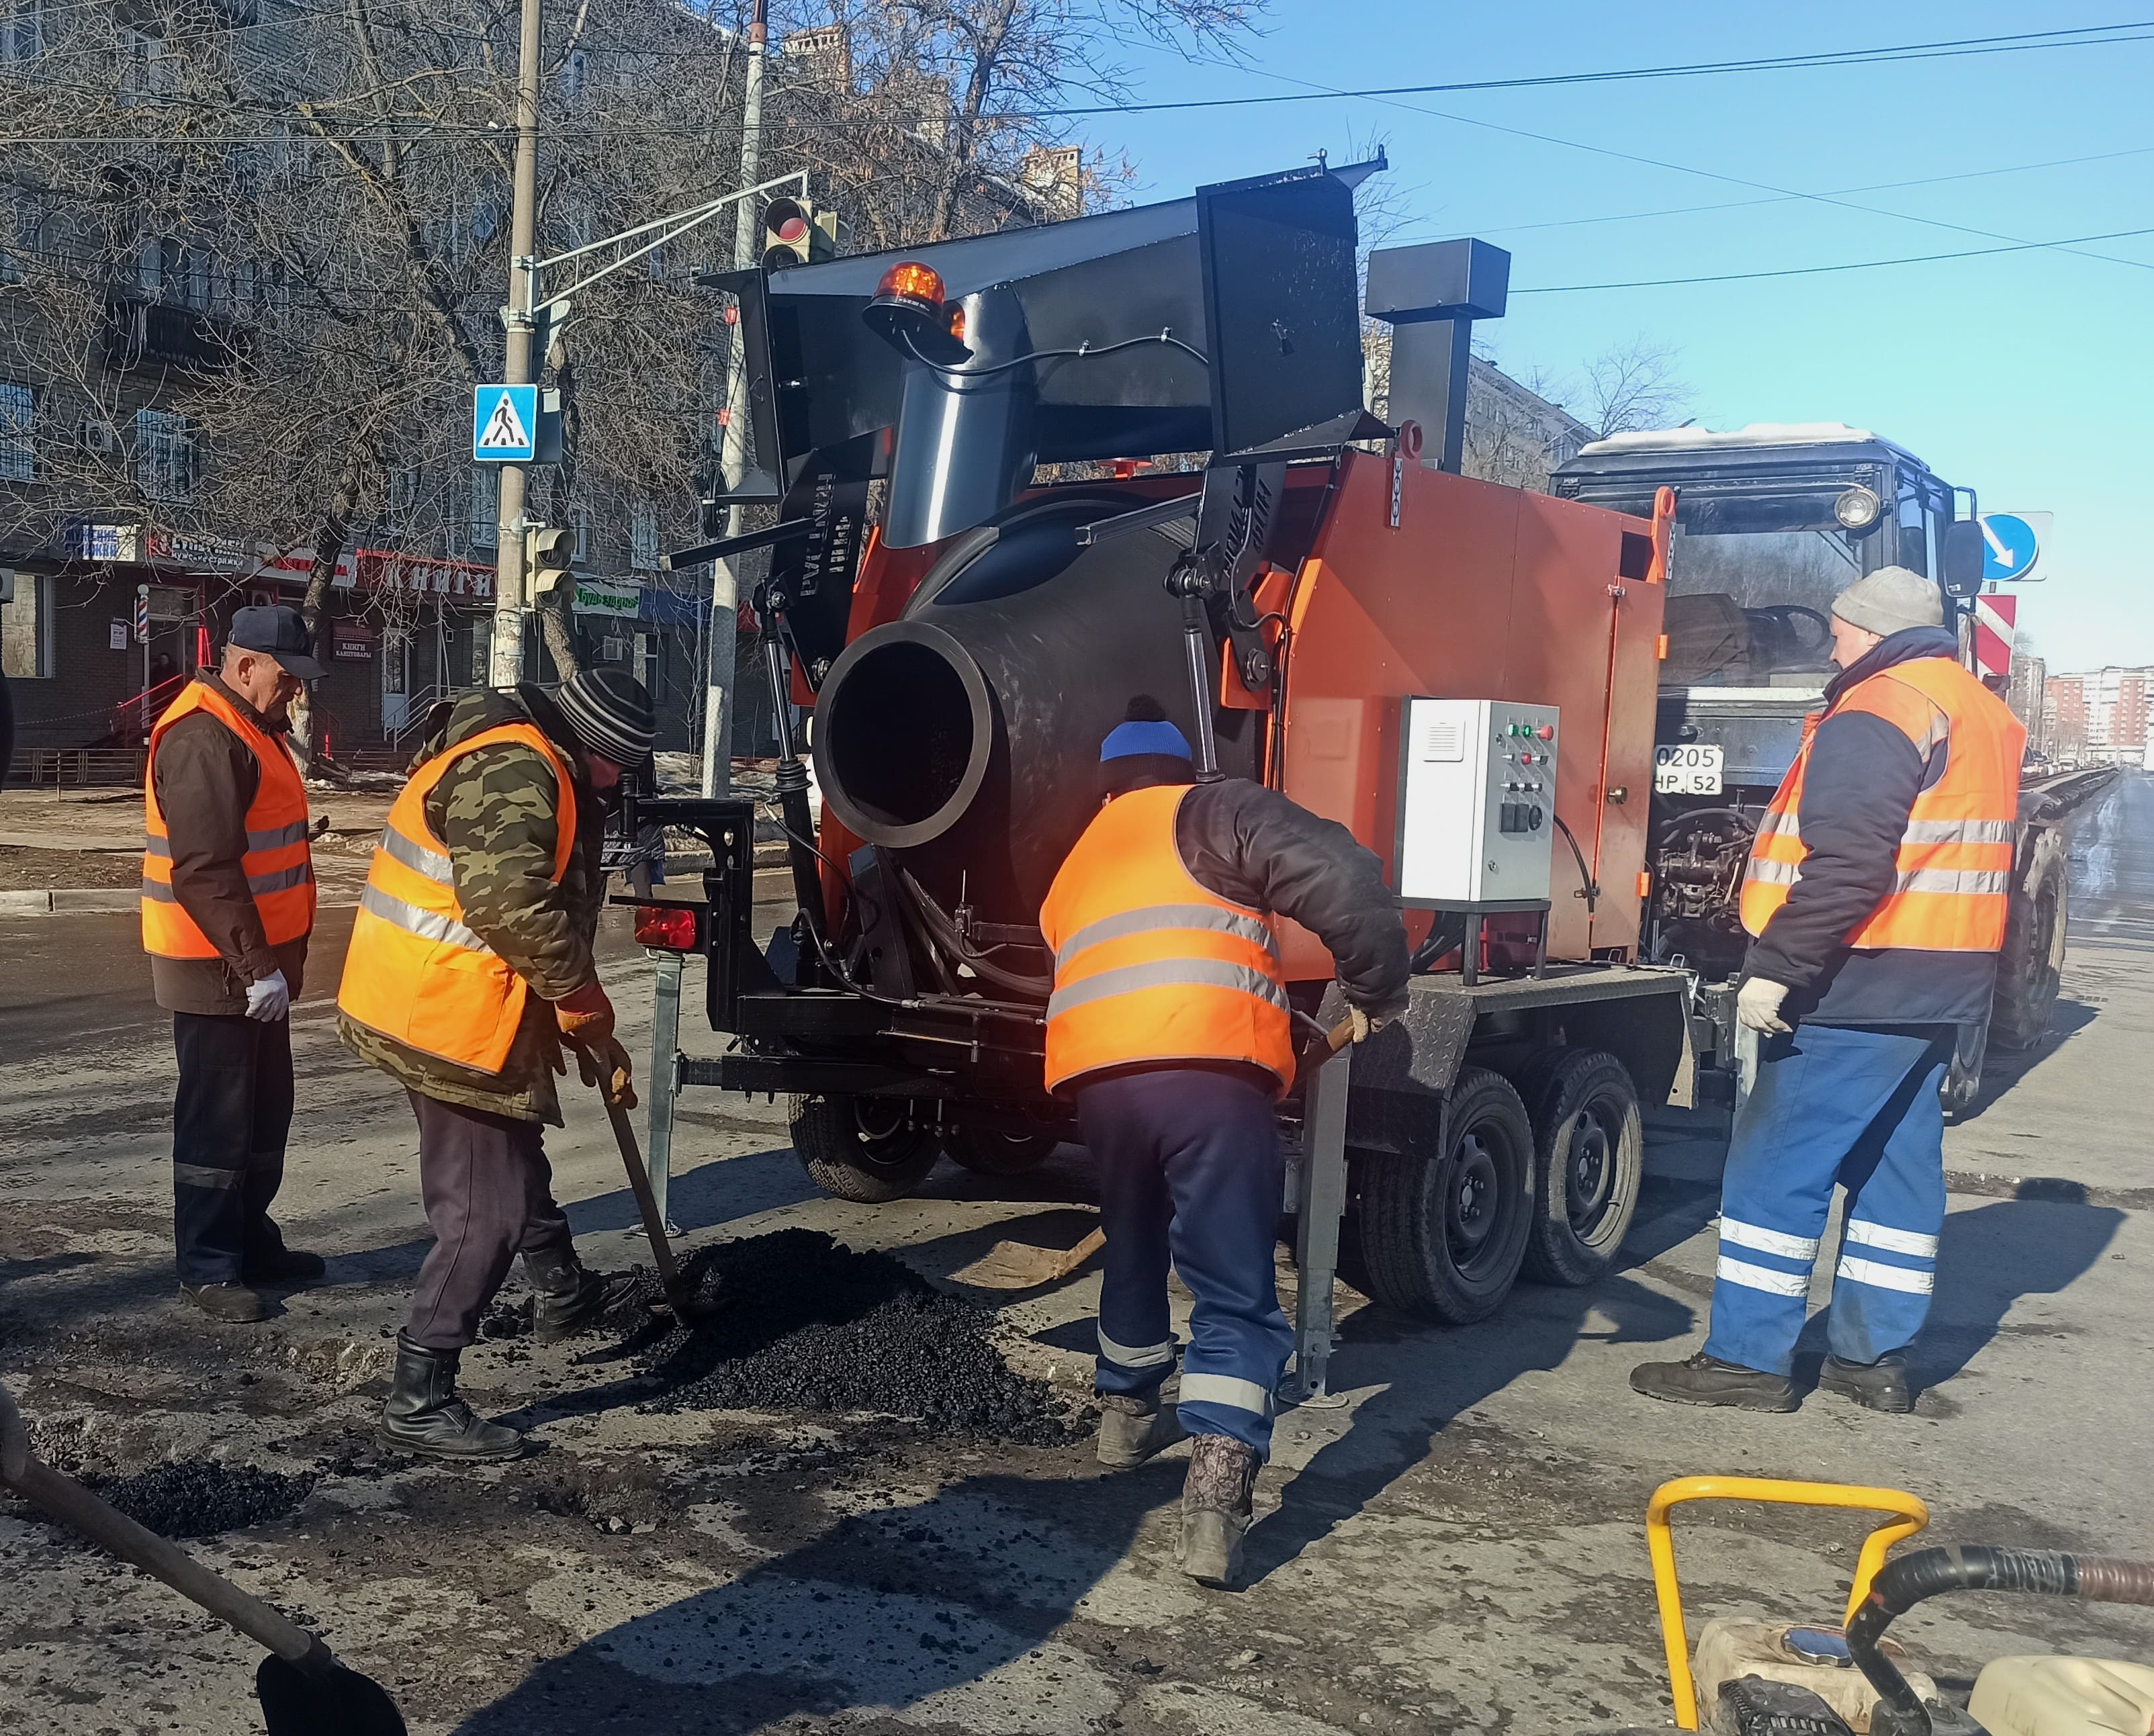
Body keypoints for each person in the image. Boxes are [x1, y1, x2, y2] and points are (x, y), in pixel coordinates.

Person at [1632, 567, 2024, 1416]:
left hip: (1856, 980)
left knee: (1778, 1164)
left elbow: (1850, 865)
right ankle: (1873, 1360)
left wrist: (1779, 966)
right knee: (1894, 1170)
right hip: (1939, 981)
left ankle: (1746, 1359)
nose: (1832, 644)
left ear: (1875, 632)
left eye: (1842, 630)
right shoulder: (1976, 706)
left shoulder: (1883, 704)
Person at [1037, 700, 1410, 1587]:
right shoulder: (1212, 811)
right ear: (1182, 769)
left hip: (1098, 1085)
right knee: (1232, 1284)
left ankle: (1123, 1418)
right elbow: (1342, 876)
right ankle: (1213, 1498)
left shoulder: (1080, 858)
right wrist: (1375, 985)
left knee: (1131, 1245)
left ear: (1106, 781)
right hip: (1210, 1075)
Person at [337, 668, 653, 1462]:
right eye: (620, 762)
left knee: (511, 1152)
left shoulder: (530, 755)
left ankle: (565, 1291)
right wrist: (581, 995)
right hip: (445, 1018)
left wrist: (576, 1023)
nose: (620, 782)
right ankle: (421, 1393)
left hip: (444, 1000)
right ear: (593, 744)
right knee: (488, 1208)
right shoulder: (520, 766)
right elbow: (508, 900)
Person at [141, 606, 323, 1323]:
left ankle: (250, 1238)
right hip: (216, 963)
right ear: (245, 665)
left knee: (264, 1111)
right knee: (218, 1120)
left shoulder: (247, 726)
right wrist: (257, 966)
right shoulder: (203, 737)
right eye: (288, 679)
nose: (296, 694)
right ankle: (209, 1264)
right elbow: (205, 870)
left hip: (249, 963)